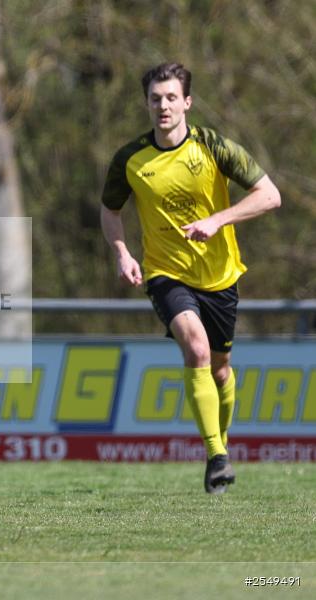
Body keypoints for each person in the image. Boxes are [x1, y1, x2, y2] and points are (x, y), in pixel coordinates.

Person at [100, 63, 281, 494]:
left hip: (220, 276)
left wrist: (220, 219)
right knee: (196, 349)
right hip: (165, 274)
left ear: (187, 102)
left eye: (170, 97)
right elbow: (110, 211)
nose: (162, 105)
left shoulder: (214, 147)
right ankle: (216, 456)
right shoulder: (130, 159)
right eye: (154, 98)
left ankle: (221, 444)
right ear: (147, 104)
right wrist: (123, 252)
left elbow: (270, 195)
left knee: (220, 370)